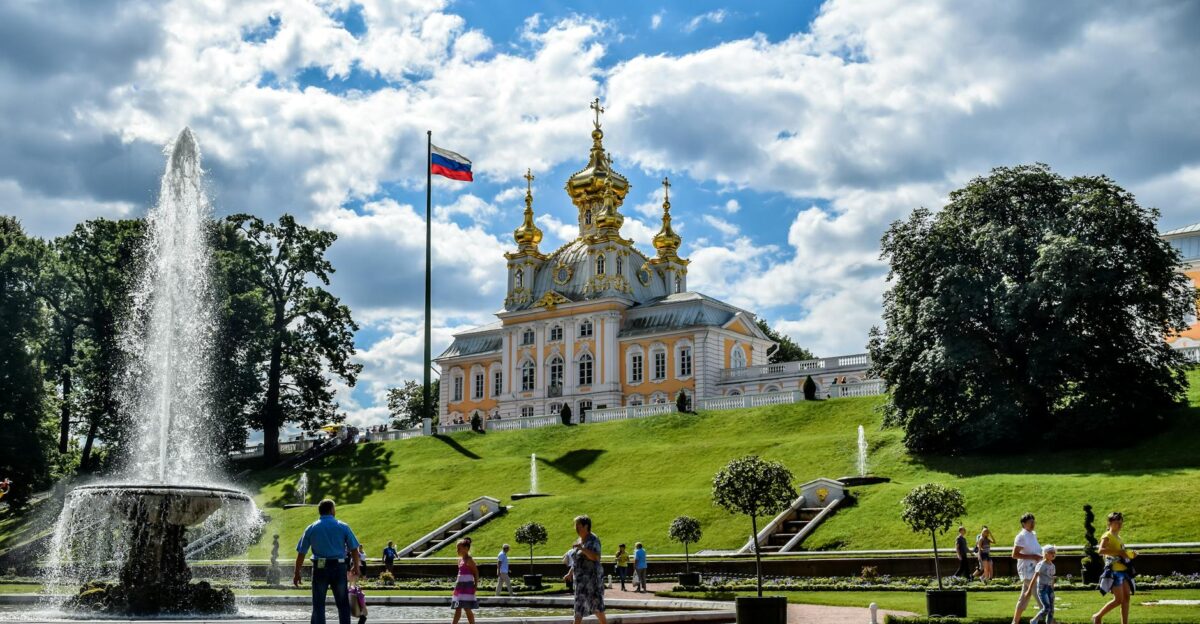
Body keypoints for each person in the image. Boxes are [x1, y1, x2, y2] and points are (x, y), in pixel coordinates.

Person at [294, 499, 361, 624]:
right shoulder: (343, 526)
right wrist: (356, 566)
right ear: (331, 510)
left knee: (318, 605)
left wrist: (297, 572)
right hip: (339, 566)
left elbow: (301, 552)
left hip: (320, 566)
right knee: (342, 604)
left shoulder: (311, 528)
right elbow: (354, 548)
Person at [1093, 511, 1137, 624]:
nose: (1119, 524)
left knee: (1127, 598)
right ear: (1110, 523)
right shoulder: (1107, 535)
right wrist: (1120, 552)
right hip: (1115, 572)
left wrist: (1129, 554)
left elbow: (1121, 553)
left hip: (1124, 571)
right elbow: (1100, 551)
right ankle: (1098, 616)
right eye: (1117, 522)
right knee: (1118, 600)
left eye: (1121, 522)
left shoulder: (1119, 537)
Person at [569, 515, 607, 624]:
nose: (576, 528)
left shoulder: (593, 539)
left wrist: (582, 548)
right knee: (578, 608)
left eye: (578, 525)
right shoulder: (580, 540)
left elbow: (596, 557)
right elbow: (578, 560)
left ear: (586, 526)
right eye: (575, 525)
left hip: (592, 581)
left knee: (597, 607)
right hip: (580, 582)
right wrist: (570, 572)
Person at [1011, 512, 1043, 624]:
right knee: (1041, 597)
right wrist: (1033, 556)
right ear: (1023, 524)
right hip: (1027, 570)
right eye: (1030, 522)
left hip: (1034, 569)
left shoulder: (1032, 534)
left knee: (1024, 597)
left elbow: (1035, 550)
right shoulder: (1021, 536)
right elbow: (1014, 554)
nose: (1033, 523)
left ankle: (1015, 622)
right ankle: (1050, 620)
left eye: (1033, 521)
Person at [1021, 544, 1056, 624]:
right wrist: (1029, 590)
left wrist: (1052, 589)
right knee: (1046, 608)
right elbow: (1034, 577)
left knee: (1051, 610)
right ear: (1045, 554)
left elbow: (1052, 578)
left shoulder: (1053, 566)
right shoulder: (1041, 565)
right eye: (1051, 552)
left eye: (1054, 552)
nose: (1053, 554)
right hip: (1042, 588)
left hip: (1049, 588)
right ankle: (1034, 620)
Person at [451, 539, 479, 624]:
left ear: (466, 548)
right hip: (459, 588)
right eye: (457, 548)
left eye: (459, 548)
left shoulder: (469, 560)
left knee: (467, 609)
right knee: (457, 608)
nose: (457, 550)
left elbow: (476, 573)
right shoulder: (460, 560)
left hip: (467, 588)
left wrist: (475, 586)